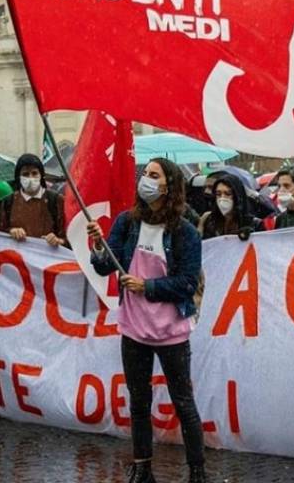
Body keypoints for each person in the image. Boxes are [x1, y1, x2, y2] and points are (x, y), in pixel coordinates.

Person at [87, 158, 206, 483]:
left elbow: (186, 282)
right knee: (139, 402)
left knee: (183, 402)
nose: (146, 180)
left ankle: (197, 471)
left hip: (171, 332)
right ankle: (142, 468)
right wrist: (98, 244)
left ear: (169, 185)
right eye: (145, 174)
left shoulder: (184, 230)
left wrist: (147, 286)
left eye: (154, 175)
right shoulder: (127, 222)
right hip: (134, 329)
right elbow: (103, 266)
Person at [0, 153, 67, 247]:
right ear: (19, 177)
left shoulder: (55, 200)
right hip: (19, 259)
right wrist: (11, 231)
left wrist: (58, 241)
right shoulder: (8, 202)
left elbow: (69, 238)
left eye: (34, 173)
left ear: (41, 175)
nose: (30, 178)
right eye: (25, 174)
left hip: (49, 259)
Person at [198, 173, 264, 240]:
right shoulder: (210, 221)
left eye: (228, 194)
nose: (222, 198)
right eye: (218, 194)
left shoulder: (254, 225)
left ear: (237, 196)